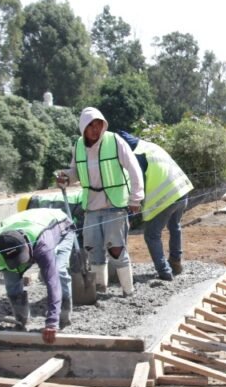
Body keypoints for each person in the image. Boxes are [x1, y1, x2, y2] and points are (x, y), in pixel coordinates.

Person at [56, 107, 144, 296]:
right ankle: (99, 289)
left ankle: (128, 291)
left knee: (116, 250)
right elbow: (76, 172)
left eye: (98, 125)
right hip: (91, 207)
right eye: (91, 126)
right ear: (83, 128)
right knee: (92, 250)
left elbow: (134, 168)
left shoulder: (115, 141)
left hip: (115, 206)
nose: (96, 129)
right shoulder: (78, 146)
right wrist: (66, 178)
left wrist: (136, 198)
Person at [0, 208, 76, 344]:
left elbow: (52, 282)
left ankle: (63, 320)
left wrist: (51, 323)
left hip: (61, 228)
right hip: (25, 225)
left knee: (59, 272)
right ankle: (21, 322)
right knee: (11, 275)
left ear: (26, 246)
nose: (20, 263)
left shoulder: (43, 244)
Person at [115, 130, 194, 281]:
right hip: (182, 190)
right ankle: (176, 263)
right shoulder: (149, 146)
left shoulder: (135, 156)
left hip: (164, 198)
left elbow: (138, 185)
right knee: (174, 226)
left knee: (151, 235)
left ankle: (164, 272)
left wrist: (131, 211)